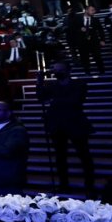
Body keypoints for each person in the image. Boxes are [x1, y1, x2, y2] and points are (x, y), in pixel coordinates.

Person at [37, 62, 94, 195]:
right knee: (60, 156)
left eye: (59, 70)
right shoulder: (52, 85)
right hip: (57, 124)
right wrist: (39, 82)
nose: (56, 72)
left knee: (84, 155)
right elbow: (41, 97)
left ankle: (89, 186)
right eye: (55, 69)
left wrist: (55, 102)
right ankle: (63, 184)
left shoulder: (79, 84)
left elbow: (76, 101)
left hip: (75, 122)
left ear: (68, 70)